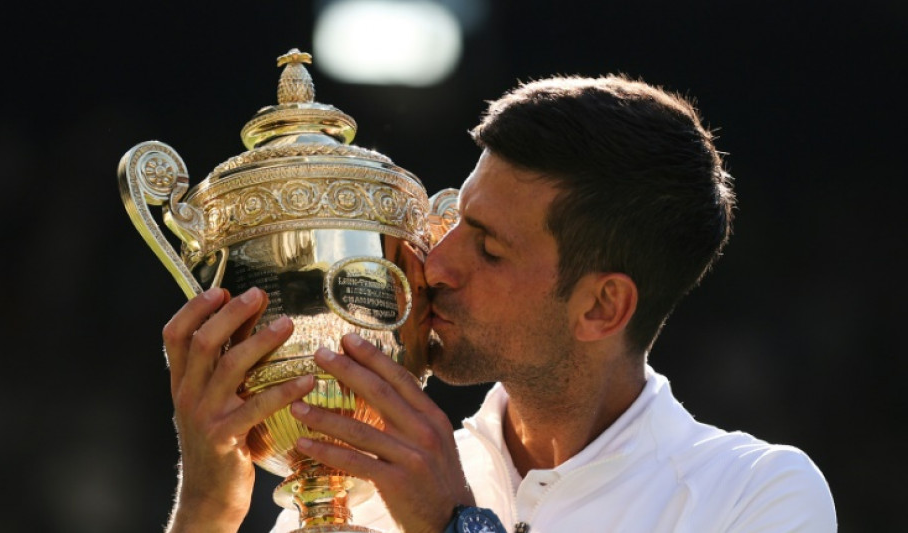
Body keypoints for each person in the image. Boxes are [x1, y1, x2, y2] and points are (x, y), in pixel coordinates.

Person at [161, 74, 837, 533]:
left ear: (602, 307)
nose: (439, 262)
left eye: (488, 249)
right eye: (456, 220)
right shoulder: (358, 487)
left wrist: (456, 524)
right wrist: (205, 510)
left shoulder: (754, 498)